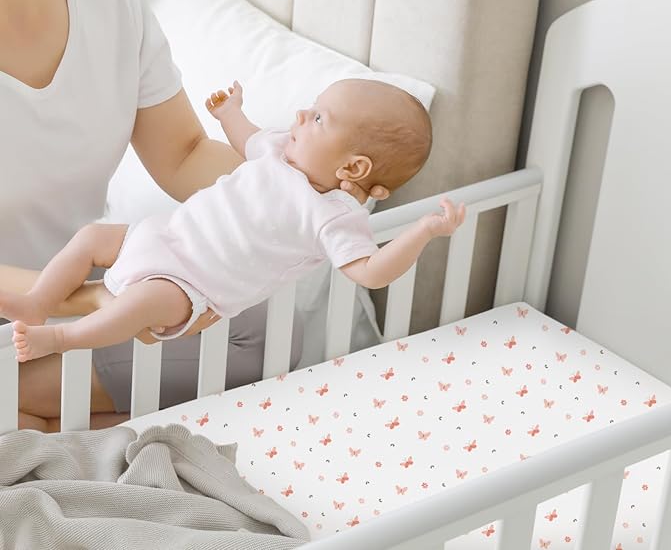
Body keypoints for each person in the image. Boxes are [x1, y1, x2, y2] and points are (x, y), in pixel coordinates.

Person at [0, 0, 386, 431]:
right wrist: (89, 301)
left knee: (261, 334)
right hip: (47, 298)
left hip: (78, 284)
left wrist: (301, 185)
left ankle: (50, 427)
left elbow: (182, 153)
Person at [1, 78, 466, 362]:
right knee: (91, 237)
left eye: (319, 118)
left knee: (136, 306)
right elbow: (247, 140)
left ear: (354, 167)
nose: (302, 114)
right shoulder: (280, 151)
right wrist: (230, 113)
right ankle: (38, 301)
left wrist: (423, 230)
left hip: (190, 286)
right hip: (163, 236)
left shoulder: (332, 216)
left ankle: (59, 338)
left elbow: (371, 271)